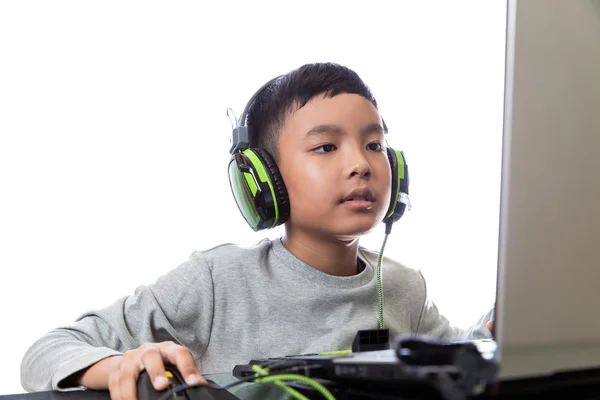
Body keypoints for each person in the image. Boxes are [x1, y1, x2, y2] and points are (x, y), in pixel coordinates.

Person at [20, 62, 494, 399]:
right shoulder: (217, 281)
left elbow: (463, 350)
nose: (360, 165)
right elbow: (47, 350)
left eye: (374, 144)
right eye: (326, 147)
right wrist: (116, 365)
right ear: (262, 181)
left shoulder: (405, 287)